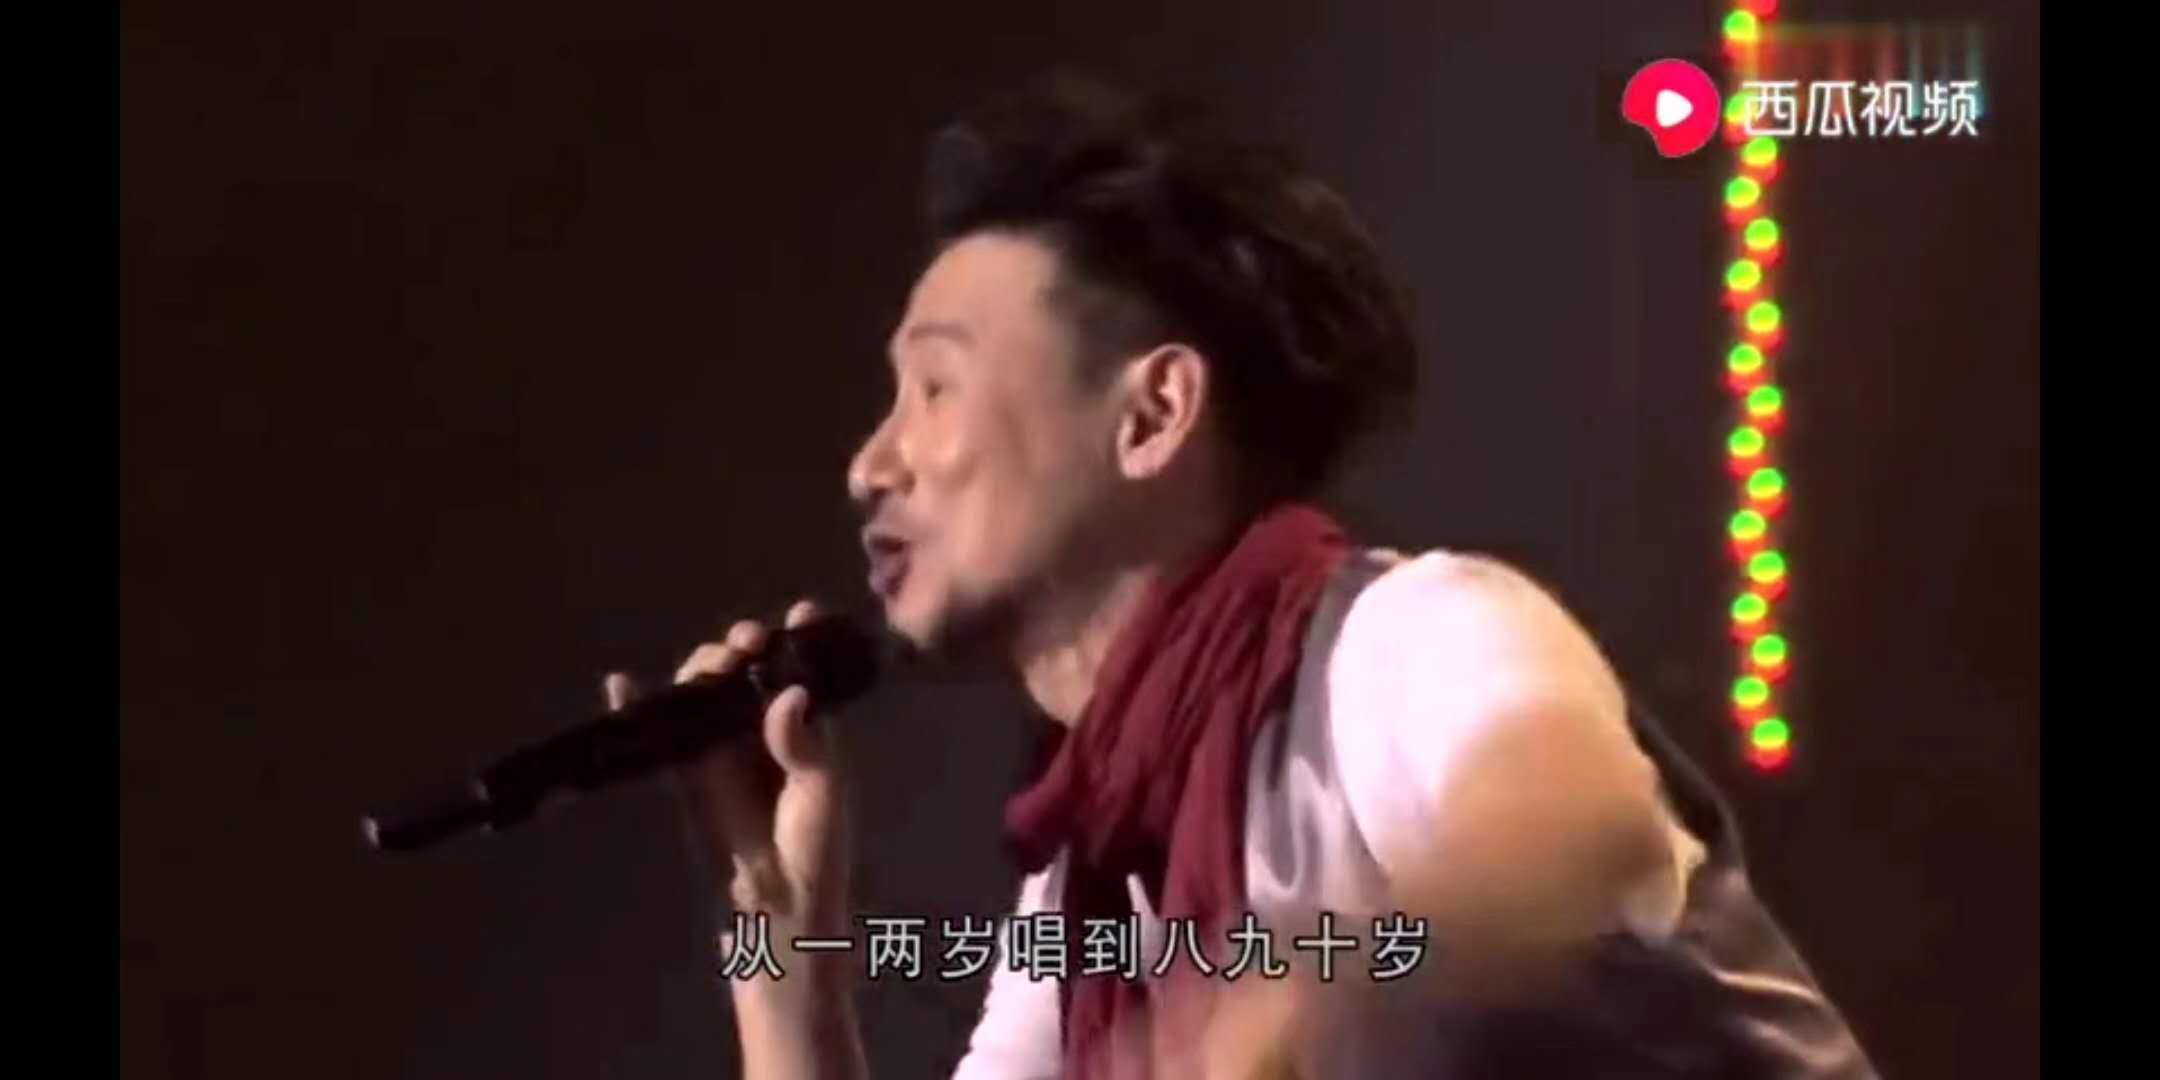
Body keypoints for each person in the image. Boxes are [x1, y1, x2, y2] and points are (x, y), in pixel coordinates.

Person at [604, 75, 1875, 1079]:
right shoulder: (1093, 891)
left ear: (1153, 414)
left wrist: (1285, 1010)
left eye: (934, 386)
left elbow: (1567, 839)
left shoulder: (1408, 637)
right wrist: (782, 952)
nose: (868, 464)